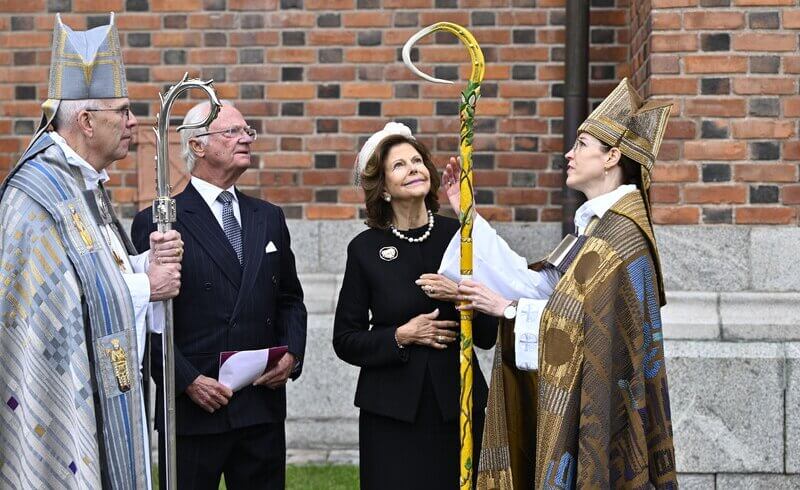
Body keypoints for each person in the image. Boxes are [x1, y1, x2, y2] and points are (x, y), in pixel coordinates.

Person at [438, 79, 678, 489]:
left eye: (582, 144)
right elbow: (539, 287)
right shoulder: (596, 230)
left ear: (612, 157)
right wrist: (469, 218)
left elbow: (592, 332)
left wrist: (508, 311)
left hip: (608, 409)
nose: (569, 153)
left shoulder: (622, 237)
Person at [0, 14, 182, 489]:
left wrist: (143, 263)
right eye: (121, 111)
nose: (133, 122)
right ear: (85, 120)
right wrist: (147, 285)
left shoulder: (81, 181)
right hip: (59, 392)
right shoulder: (38, 194)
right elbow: (52, 309)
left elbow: (91, 272)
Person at [131, 100, 307, 489]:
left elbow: (291, 299)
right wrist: (187, 380)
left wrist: (291, 354)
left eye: (248, 132)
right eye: (232, 132)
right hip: (195, 407)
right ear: (197, 145)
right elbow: (146, 319)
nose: (246, 139)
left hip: (260, 404)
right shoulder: (160, 219)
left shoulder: (269, 217)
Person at [332, 122, 498, 489]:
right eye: (399, 165)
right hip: (390, 411)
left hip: (458, 404)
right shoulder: (364, 249)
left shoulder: (460, 236)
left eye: (417, 160)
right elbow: (345, 339)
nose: (413, 169)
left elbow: (487, 335)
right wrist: (401, 336)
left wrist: (459, 294)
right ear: (384, 189)